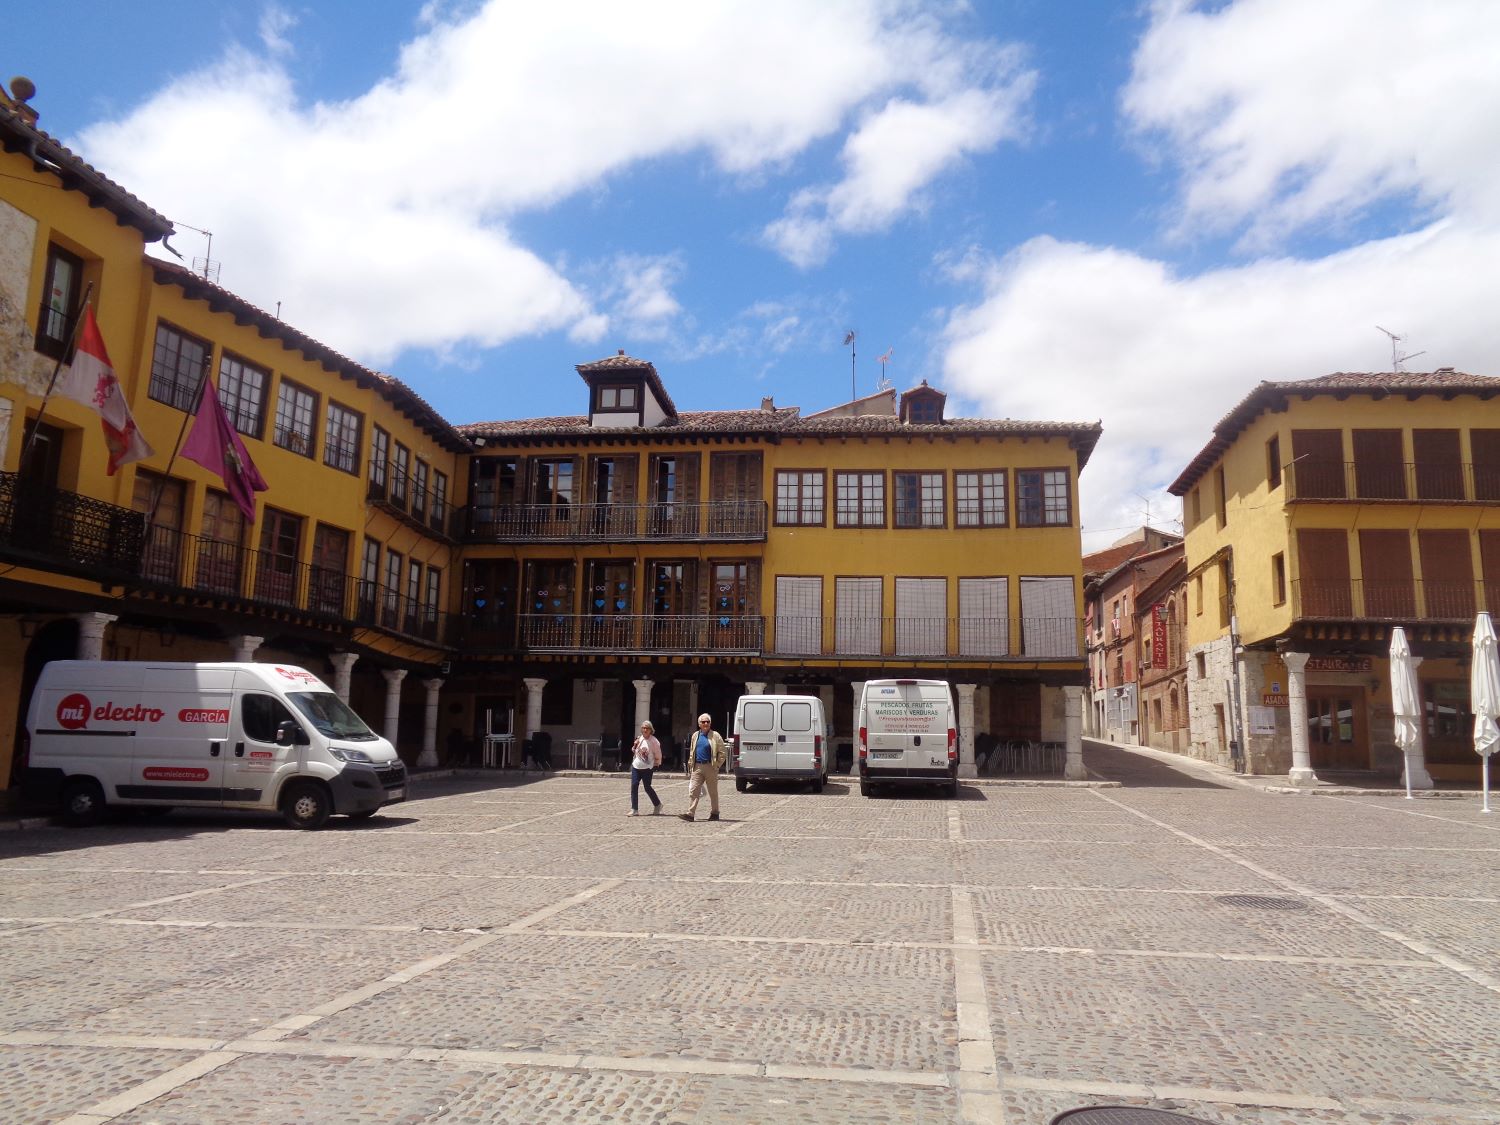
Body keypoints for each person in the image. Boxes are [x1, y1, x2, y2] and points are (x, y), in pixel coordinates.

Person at [679, 713, 727, 822]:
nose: (705, 724)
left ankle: (715, 813)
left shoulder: (715, 735)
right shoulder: (695, 735)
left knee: (712, 792)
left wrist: (717, 765)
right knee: (694, 790)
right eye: (703, 722)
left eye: (707, 722)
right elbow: (692, 750)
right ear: (699, 724)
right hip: (697, 766)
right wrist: (691, 764)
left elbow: (723, 752)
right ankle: (690, 814)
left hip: (710, 766)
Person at [627, 720, 664, 816]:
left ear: (651, 730)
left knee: (647, 787)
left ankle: (657, 804)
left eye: (647, 728)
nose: (645, 730)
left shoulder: (654, 741)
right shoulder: (640, 739)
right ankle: (634, 809)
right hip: (636, 766)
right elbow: (634, 750)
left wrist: (657, 762)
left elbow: (658, 753)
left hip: (647, 767)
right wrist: (635, 745)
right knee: (634, 786)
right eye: (643, 728)